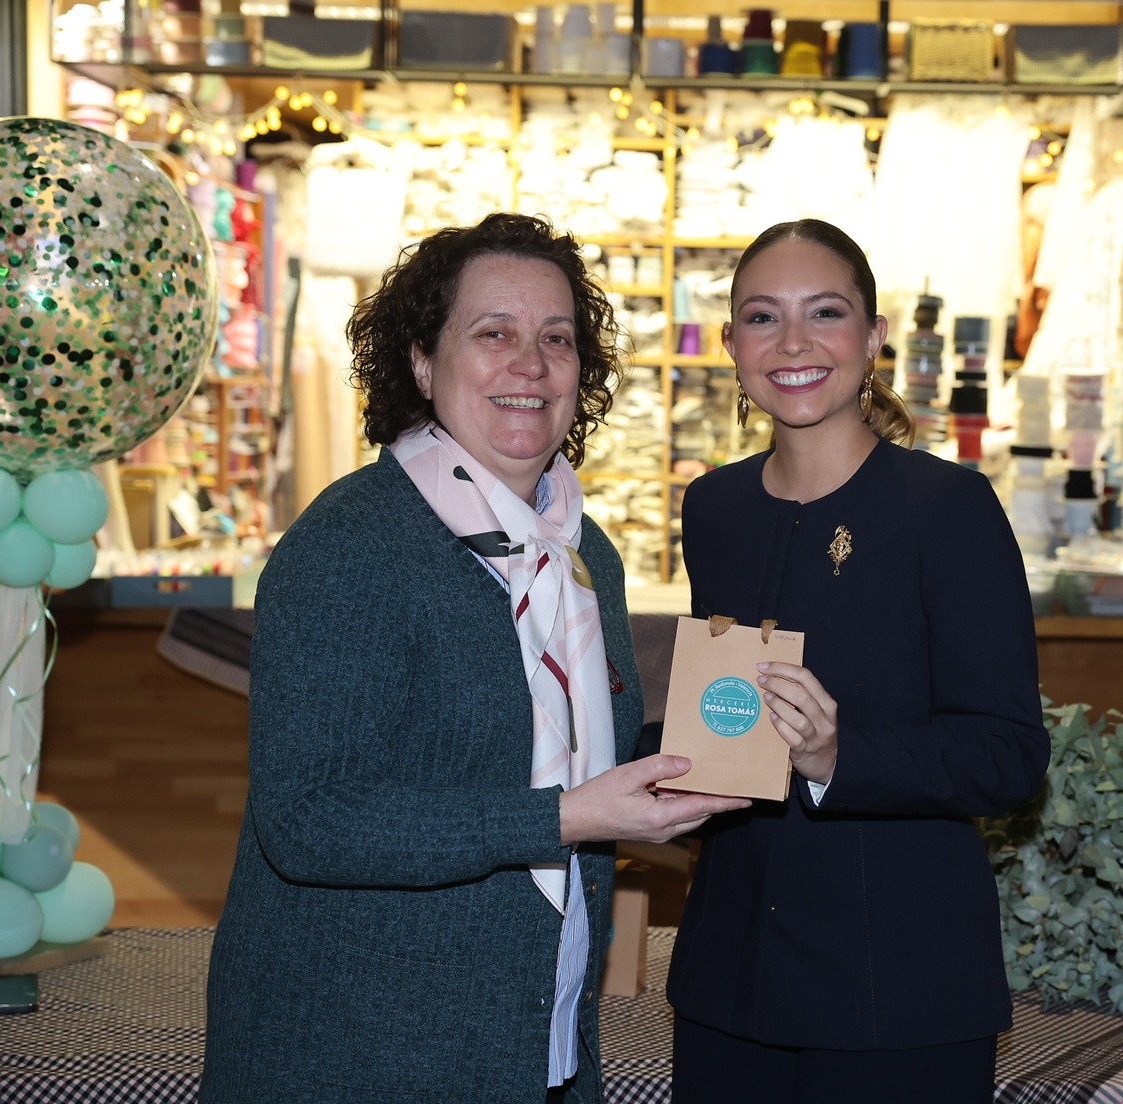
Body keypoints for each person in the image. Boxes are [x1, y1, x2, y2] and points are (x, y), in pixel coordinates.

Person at [202, 212, 748, 1103]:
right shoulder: (351, 544)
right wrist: (563, 818)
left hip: (534, 1044)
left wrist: (724, 742)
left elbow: (552, 747)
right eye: (493, 333)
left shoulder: (583, 555)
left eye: (556, 338)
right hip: (358, 1058)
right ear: (423, 361)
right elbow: (307, 819)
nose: (530, 364)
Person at [665, 218, 1051, 1103]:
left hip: (896, 988)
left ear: (873, 336)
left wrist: (840, 757)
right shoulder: (714, 507)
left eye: (825, 313)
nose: (792, 342)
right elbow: (727, 716)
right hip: (730, 976)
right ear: (730, 344)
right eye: (762, 317)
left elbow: (1008, 754)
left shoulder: (947, 507)